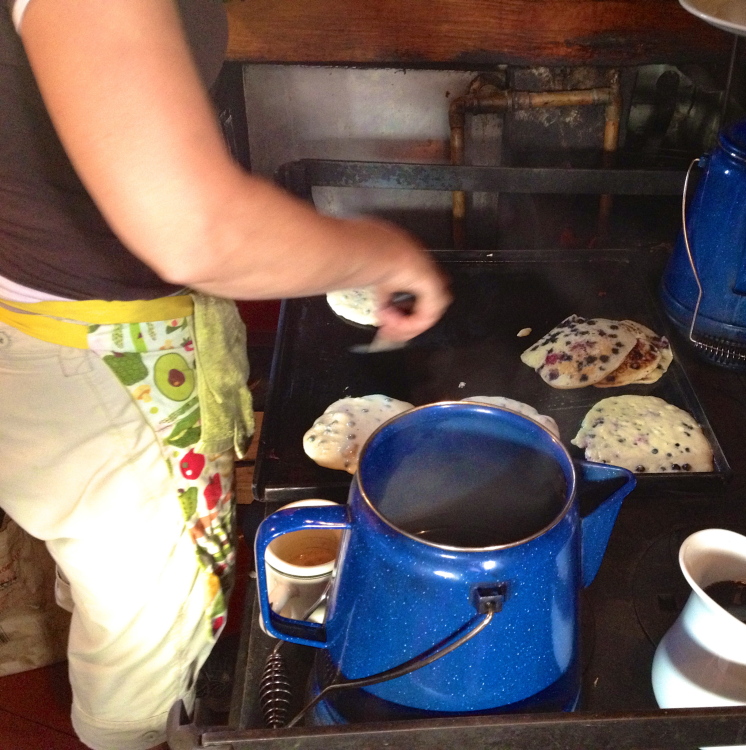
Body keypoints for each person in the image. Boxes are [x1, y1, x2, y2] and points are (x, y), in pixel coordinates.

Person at [0, 0, 451, 748]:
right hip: (97, 362)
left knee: (110, 575)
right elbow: (197, 232)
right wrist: (384, 253)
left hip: (61, 329)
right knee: (150, 624)